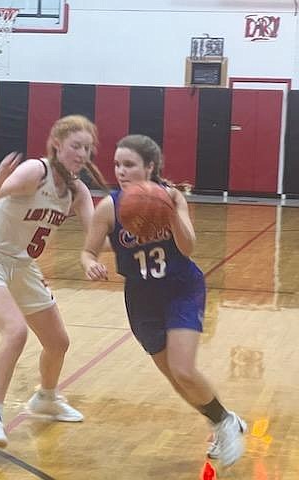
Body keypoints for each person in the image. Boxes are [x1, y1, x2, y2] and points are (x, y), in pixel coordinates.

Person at [81, 134, 246, 467]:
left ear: (150, 166)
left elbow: (188, 248)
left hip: (181, 288)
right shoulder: (109, 208)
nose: (121, 171)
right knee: (175, 378)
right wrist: (90, 264)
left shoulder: (171, 197)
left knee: (184, 369)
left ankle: (227, 425)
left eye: (129, 164)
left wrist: (170, 213)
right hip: (141, 298)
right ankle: (222, 418)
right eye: (117, 165)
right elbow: (87, 250)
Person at [0, 114, 108, 448]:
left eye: (87, 149)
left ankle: (46, 397)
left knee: (58, 343)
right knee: (15, 332)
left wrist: (138, 235)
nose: (82, 154)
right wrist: (0, 176)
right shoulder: (35, 171)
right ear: (57, 144)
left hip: (24, 268)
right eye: (76, 146)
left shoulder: (78, 192)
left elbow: (96, 236)